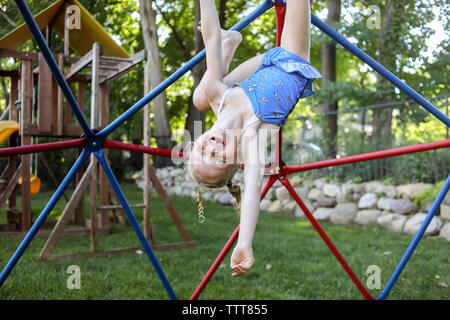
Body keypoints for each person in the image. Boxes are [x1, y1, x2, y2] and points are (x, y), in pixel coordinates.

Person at [187, 0, 321, 277]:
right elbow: (250, 191)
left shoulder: (216, 96)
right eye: (218, 159)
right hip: (290, 60)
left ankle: (230, 41)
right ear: (238, 158)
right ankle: (231, 41)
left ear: (195, 143)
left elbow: (209, 36)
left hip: (260, 67)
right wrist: (244, 242)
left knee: (200, 97)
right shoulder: (252, 136)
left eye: (202, 153)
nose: (211, 150)